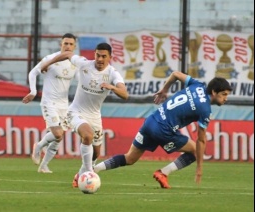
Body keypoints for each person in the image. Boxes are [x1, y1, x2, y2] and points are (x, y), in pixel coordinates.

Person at [93, 71, 232, 188]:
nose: (226, 98)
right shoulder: (205, 109)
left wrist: (165, 89)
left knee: (129, 158)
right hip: (163, 130)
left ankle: (93, 170)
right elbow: (201, 140)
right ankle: (163, 173)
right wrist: (200, 168)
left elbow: (176, 74)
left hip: (151, 121)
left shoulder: (197, 85)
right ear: (214, 92)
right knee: (195, 150)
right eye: (224, 94)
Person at [41, 43, 129, 187]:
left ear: (110, 57)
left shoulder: (113, 73)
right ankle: (88, 173)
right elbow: (67, 55)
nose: (100, 59)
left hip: (94, 116)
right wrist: (47, 63)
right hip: (76, 111)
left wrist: (112, 87)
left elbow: (125, 94)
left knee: (96, 153)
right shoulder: (84, 64)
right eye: (97, 55)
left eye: (103, 56)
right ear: (94, 54)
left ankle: (80, 174)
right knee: (87, 135)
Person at [22, 33, 78, 173]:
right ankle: (39, 146)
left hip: (63, 105)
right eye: (65, 43)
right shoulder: (50, 59)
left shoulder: (76, 64)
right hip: (49, 102)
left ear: (74, 46)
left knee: (58, 138)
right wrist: (33, 91)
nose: (68, 46)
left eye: (71, 44)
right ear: (61, 44)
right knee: (57, 134)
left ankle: (44, 166)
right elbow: (33, 72)